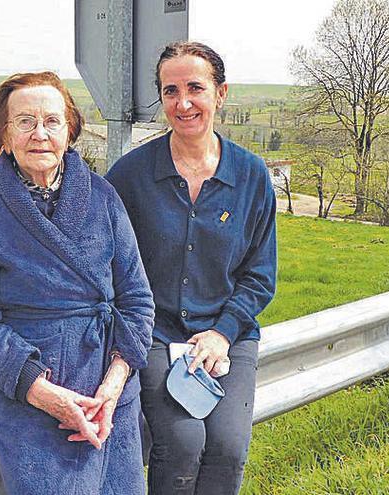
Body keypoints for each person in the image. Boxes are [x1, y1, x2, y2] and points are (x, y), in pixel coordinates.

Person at [0, 71, 154, 495]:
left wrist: (113, 387)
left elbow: (136, 299)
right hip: (29, 388)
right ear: (4, 135)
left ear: (69, 130)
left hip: (107, 388)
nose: (39, 134)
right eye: (24, 122)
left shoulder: (103, 197)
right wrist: (45, 394)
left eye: (51, 121)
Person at [106, 42, 277, 494]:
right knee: (182, 441)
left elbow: (260, 274)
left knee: (227, 446)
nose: (183, 103)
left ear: (221, 93)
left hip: (228, 333)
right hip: (157, 333)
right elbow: (101, 259)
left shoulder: (251, 176)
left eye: (195, 88)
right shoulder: (130, 176)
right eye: (170, 91)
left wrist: (223, 332)